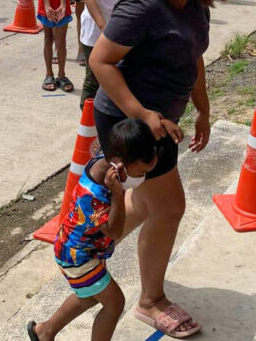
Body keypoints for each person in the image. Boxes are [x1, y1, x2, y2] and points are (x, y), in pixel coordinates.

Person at [89, 0, 226, 338]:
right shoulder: (145, 3)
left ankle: (91, 244)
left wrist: (202, 108)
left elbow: (194, 58)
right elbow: (101, 61)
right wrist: (142, 114)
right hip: (130, 121)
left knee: (150, 203)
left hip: (163, 120)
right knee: (169, 207)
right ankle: (150, 301)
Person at [28, 119, 159, 341]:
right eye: (142, 171)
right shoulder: (94, 196)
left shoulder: (105, 163)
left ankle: (44, 331)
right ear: (119, 166)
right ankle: (46, 332)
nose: (143, 177)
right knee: (115, 304)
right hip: (77, 256)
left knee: (89, 296)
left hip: (85, 250)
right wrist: (118, 194)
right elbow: (115, 232)